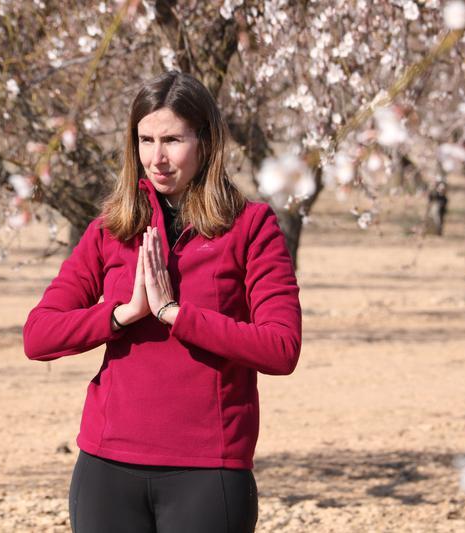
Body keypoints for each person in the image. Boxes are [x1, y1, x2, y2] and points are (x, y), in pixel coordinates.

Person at [23, 71, 302, 533]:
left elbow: (281, 348)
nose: (158, 157)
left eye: (172, 139)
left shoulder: (252, 227)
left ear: (206, 142)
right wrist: (121, 315)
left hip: (209, 471)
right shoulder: (111, 228)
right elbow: (38, 336)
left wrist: (176, 315)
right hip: (106, 467)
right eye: (145, 139)